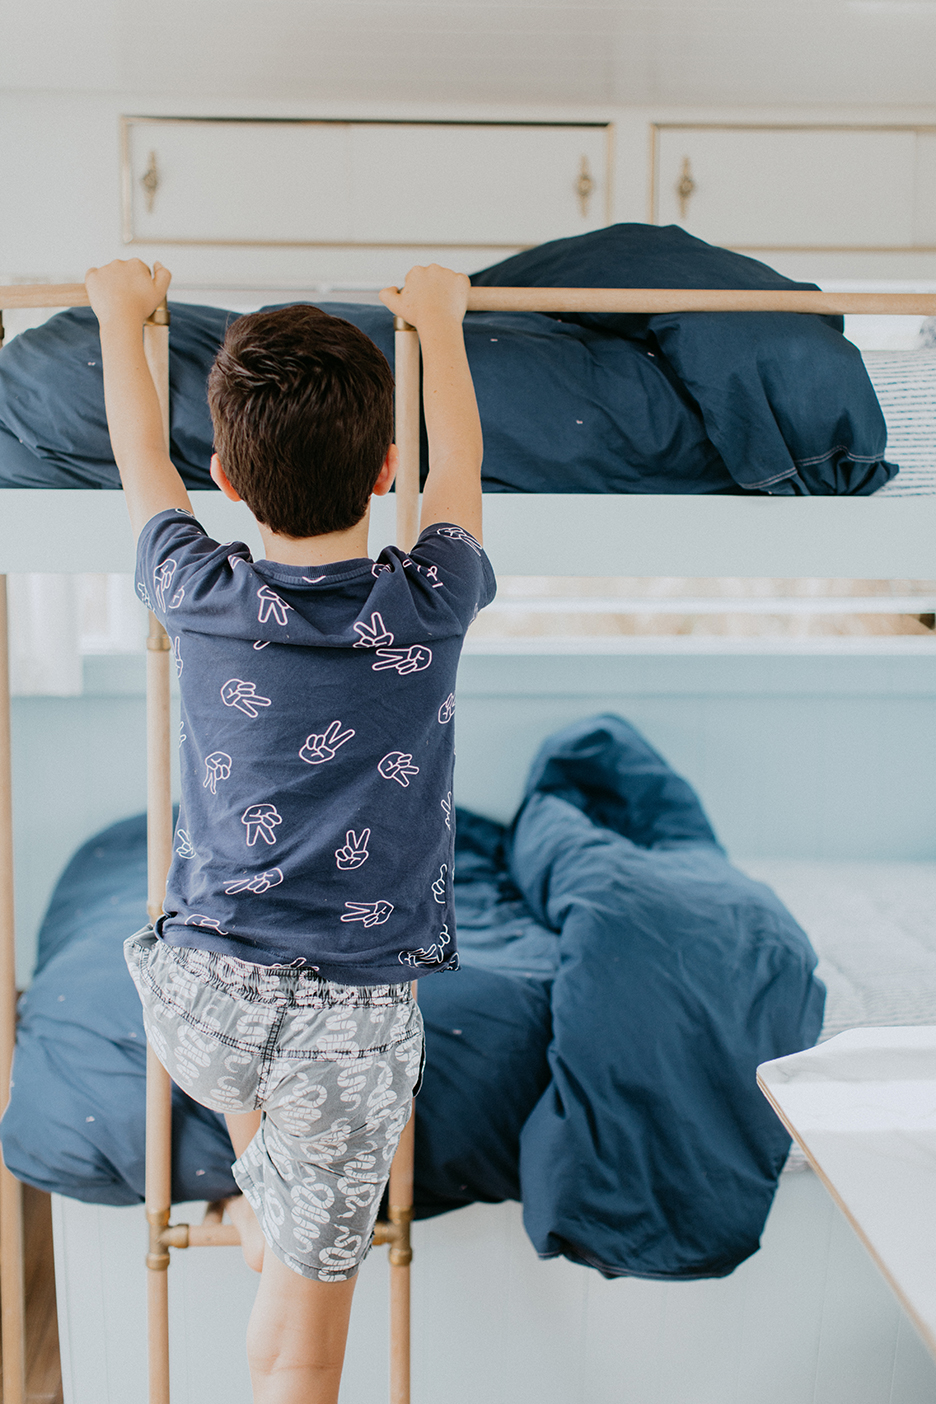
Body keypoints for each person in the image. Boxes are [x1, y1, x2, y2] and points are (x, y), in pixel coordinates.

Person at [84, 256, 494, 1404]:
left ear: (226, 478)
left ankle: (266, 1205)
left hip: (197, 1001)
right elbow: (462, 466)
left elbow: (140, 461)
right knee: (305, 1356)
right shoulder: (431, 598)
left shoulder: (196, 590)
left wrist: (120, 319)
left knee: (288, 1188)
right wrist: (441, 321)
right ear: (385, 470)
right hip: (345, 1030)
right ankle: (281, 1213)